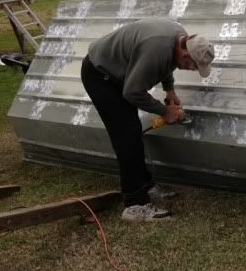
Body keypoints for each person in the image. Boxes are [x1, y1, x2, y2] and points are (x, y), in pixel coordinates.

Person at [81, 18, 215, 221]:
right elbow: (132, 92)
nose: (193, 70)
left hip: (119, 74)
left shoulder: (179, 37)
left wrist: (169, 89)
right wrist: (164, 111)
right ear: (186, 52)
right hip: (100, 75)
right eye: (193, 66)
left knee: (132, 132)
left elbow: (167, 64)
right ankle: (135, 204)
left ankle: (144, 185)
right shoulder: (157, 48)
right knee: (127, 137)